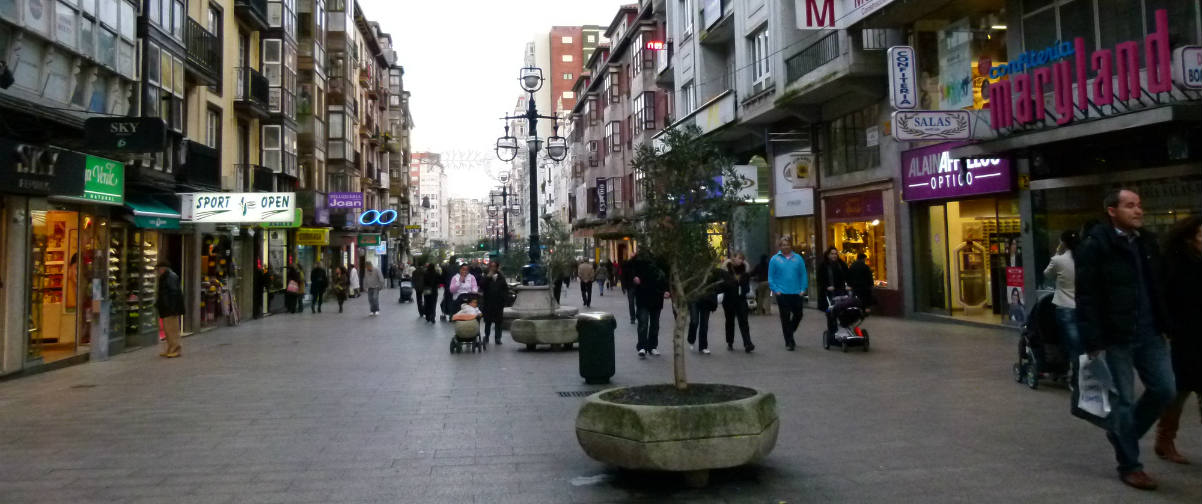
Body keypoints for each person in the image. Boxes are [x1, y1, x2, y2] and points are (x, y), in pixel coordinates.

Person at [1076, 189, 1175, 491]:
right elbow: (1087, 296)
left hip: (1149, 332)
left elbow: (1157, 286)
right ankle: (1130, 466)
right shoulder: (1096, 246)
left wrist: (1166, 322)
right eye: (1130, 206)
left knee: (1165, 389)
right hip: (1115, 337)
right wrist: (1093, 341)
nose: (1138, 211)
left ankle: (1122, 433)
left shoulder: (1146, 243)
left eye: (1139, 205)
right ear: (1112, 211)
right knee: (1123, 401)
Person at [1154, 216, 1202, 465]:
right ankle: (1165, 439)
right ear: (1190, 237)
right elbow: (1163, 297)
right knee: (1180, 391)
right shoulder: (1174, 263)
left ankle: (1165, 439)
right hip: (1184, 336)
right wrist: (1169, 327)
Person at [1043, 231, 1081, 357]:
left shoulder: (1058, 260)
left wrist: (1057, 252)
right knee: (1080, 344)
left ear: (1063, 243)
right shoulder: (1084, 258)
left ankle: (1074, 373)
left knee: (1070, 344)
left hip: (1064, 307)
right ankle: (1082, 371)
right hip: (1082, 305)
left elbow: (1047, 274)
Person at [769, 236, 809, 351]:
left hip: (797, 292)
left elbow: (803, 274)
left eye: (787, 244)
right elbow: (771, 277)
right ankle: (789, 342)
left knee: (799, 314)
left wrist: (803, 288)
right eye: (783, 244)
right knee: (785, 318)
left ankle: (789, 332)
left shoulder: (798, 258)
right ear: (780, 246)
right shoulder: (775, 259)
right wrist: (776, 290)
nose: (785, 246)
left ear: (791, 245)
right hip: (782, 293)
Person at [630, 250, 668, 358]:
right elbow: (629, 270)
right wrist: (634, 278)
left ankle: (652, 346)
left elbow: (666, 275)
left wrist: (666, 290)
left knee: (655, 324)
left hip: (656, 296)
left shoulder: (660, 261)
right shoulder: (639, 260)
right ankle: (642, 346)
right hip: (643, 296)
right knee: (643, 322)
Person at [721, 253, 755, 353]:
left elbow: (747, 287)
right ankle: (730, 342)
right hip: (729, 300)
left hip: (741, 300)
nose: (738, 260)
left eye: (741, 258)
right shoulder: (727, 270)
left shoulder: (745, 272)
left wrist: (742, 286)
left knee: (744, 321)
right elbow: (723, 284)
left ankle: (748, 343)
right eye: (737, 257)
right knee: (730, 321)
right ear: (732, 259)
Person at [817, 247, 850, 339]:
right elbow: (820, 280)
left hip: (841, 292)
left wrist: (848, 285)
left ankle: (844, 330)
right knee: (831, 314)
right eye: (832, 253)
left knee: (843, 312)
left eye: (835, 254)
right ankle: (832, 334)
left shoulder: (841, 264)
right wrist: (827, 287)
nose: (834, 255)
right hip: (828, 294)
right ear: (828, 255)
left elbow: (847, 275)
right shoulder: (823, 266)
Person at [155, 260, 185, 358]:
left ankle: (176, 349)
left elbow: (174, 293)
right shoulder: (166, 277)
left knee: (172, 330)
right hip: (166, 308)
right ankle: (170, 348)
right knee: (168, 330)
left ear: (163, 268)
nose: (157, 271)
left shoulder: (170, 277)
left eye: (158, 269)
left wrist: (172, 307)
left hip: (170, 308)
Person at [687, 268, 720, 354]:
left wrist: (713, 302)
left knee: (704, 324)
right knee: (694, 321)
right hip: (694, 299)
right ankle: (691, 340)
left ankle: (703, 346)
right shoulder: (693, 268)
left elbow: (715, 286)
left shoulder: (712, 272)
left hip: (706, 300)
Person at [480, 261, 509, 344]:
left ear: (497, 268)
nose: (492, 268)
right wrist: (488, 277)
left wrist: (503, 300)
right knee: (488, 321)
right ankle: (487, 336)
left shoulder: (501, 277)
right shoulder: (486, 276)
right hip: (488, 302)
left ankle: (498, 338)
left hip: (498, 303)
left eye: (494, 266)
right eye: (491, 266)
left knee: (498, 321)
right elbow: (481, 285)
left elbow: (505, 289)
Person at [621, 256, 638, 324]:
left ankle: (632, 318)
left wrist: (623, 287)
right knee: (638, 302)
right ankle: (637, 315)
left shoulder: (627, 265)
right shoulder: (639, 265)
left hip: (630, 287)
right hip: (637, 287)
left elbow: (623, 277)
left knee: (631, 303)